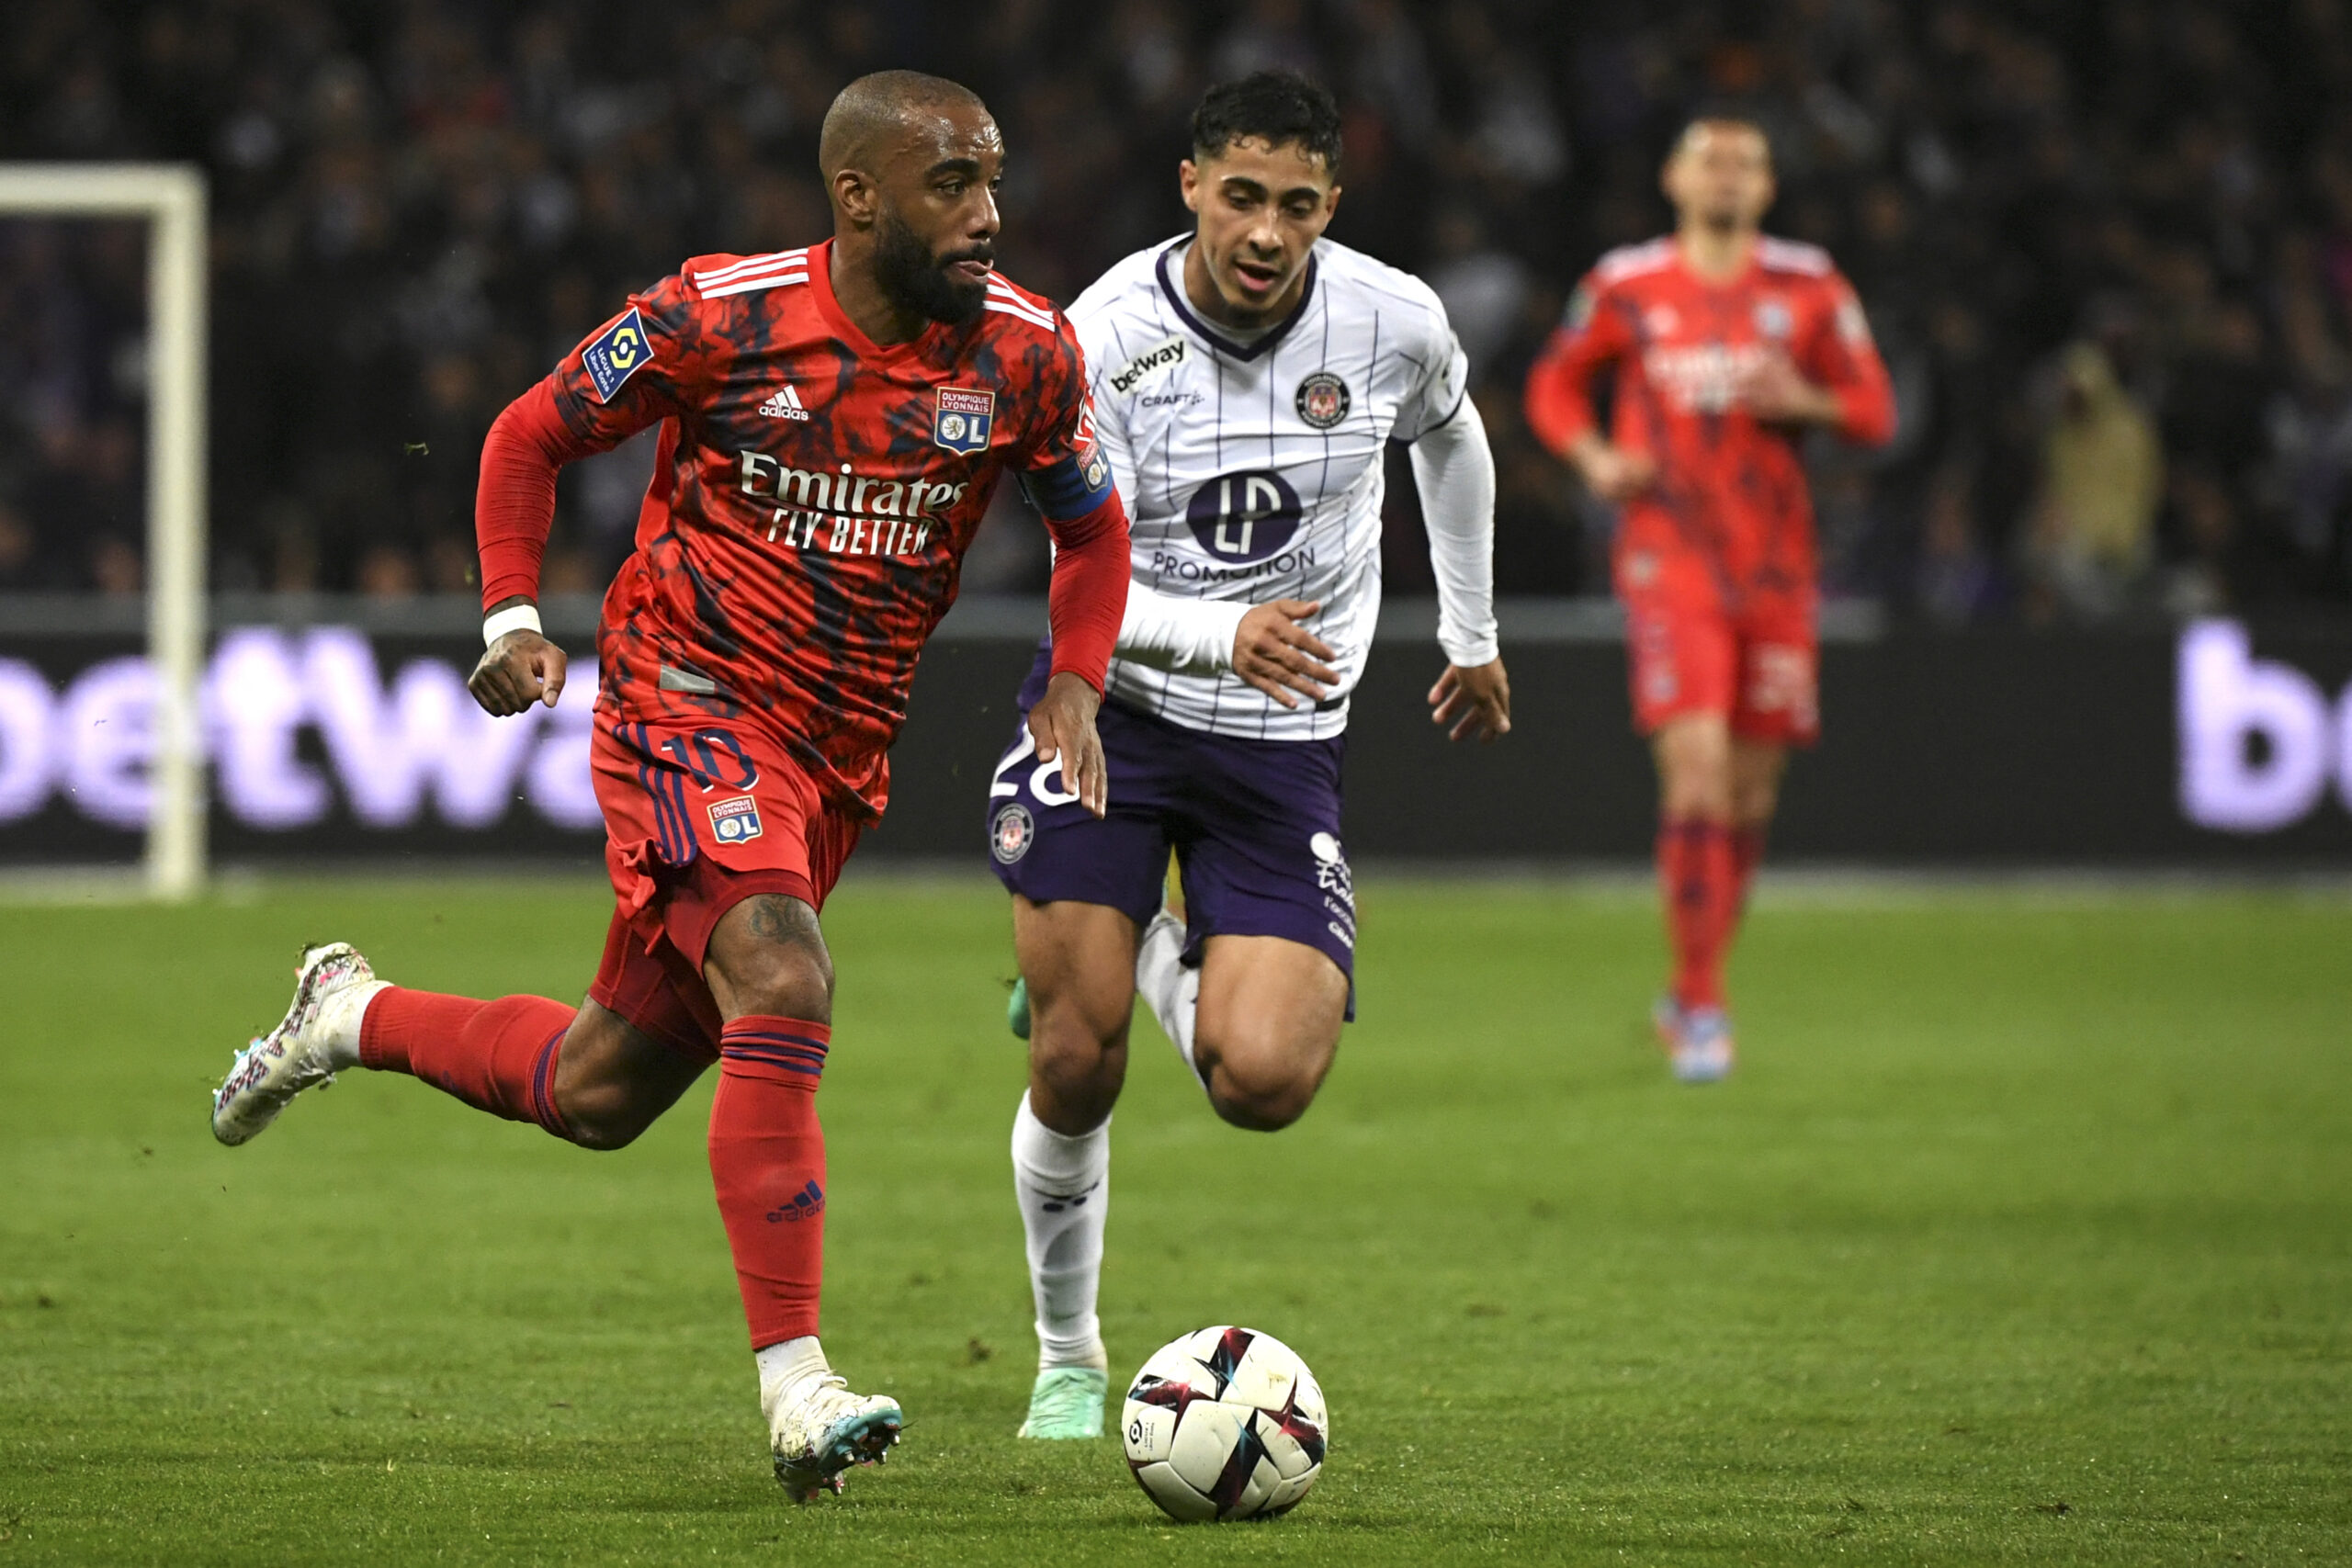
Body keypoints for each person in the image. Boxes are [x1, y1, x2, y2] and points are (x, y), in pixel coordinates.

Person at [208, 71, 1131, 1502]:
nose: (988, 216)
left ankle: (352, 1012)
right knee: (784, 975)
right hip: (682, 695)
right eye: (953, 184)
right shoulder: (721, 313)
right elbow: (530, 432)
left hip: (835, 755)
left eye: (994, 181)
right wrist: (512, 615)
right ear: (859, 196)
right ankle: (798, 1386)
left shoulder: (1024, 353)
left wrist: (1077, 670)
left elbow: (1090, 521)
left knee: (600, 1088)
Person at [984, 71, 1509, 1440]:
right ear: (1191, 189)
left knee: (1265, 1081)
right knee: (1077, 1057)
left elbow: (1452, 437)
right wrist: (1220, 638)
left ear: (1330, 206)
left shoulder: (1393, 320)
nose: (1266, 232)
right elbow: (1072, 568)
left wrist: (1470, 628)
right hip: (1116, 705)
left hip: (1285, 743)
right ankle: (1065, 1355)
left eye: (1296, 205)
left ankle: (1146, 937)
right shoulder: (1098, 335)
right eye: (1240, 197)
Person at [1523, 115, 1894, 1083]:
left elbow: (1874, 409)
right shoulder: (1625, 284)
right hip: (1668, 556)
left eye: (1745, 162)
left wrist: (1803, 403)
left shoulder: (1809, 285)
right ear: (1672, 178)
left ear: (1768, 187)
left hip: (1775, 568)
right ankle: (1704, 1006)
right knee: (1694, 774)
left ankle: (1690, 989)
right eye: (1709, 159)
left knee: (1748, 795)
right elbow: (1553, 387)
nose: (1726, 174)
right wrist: (1595, 457)